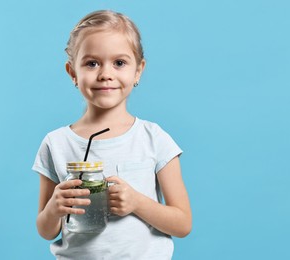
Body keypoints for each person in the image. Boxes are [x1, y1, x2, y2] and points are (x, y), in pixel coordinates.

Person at [32, 10, 192, 259]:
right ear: (72, 72)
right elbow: (46, 230)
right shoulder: (56, 143)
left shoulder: (154, 138)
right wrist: (54, 208)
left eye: (119, 63)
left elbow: (182, 224)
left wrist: (137, 202)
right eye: (91, 63)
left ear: (138, 71)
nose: (106, 73)